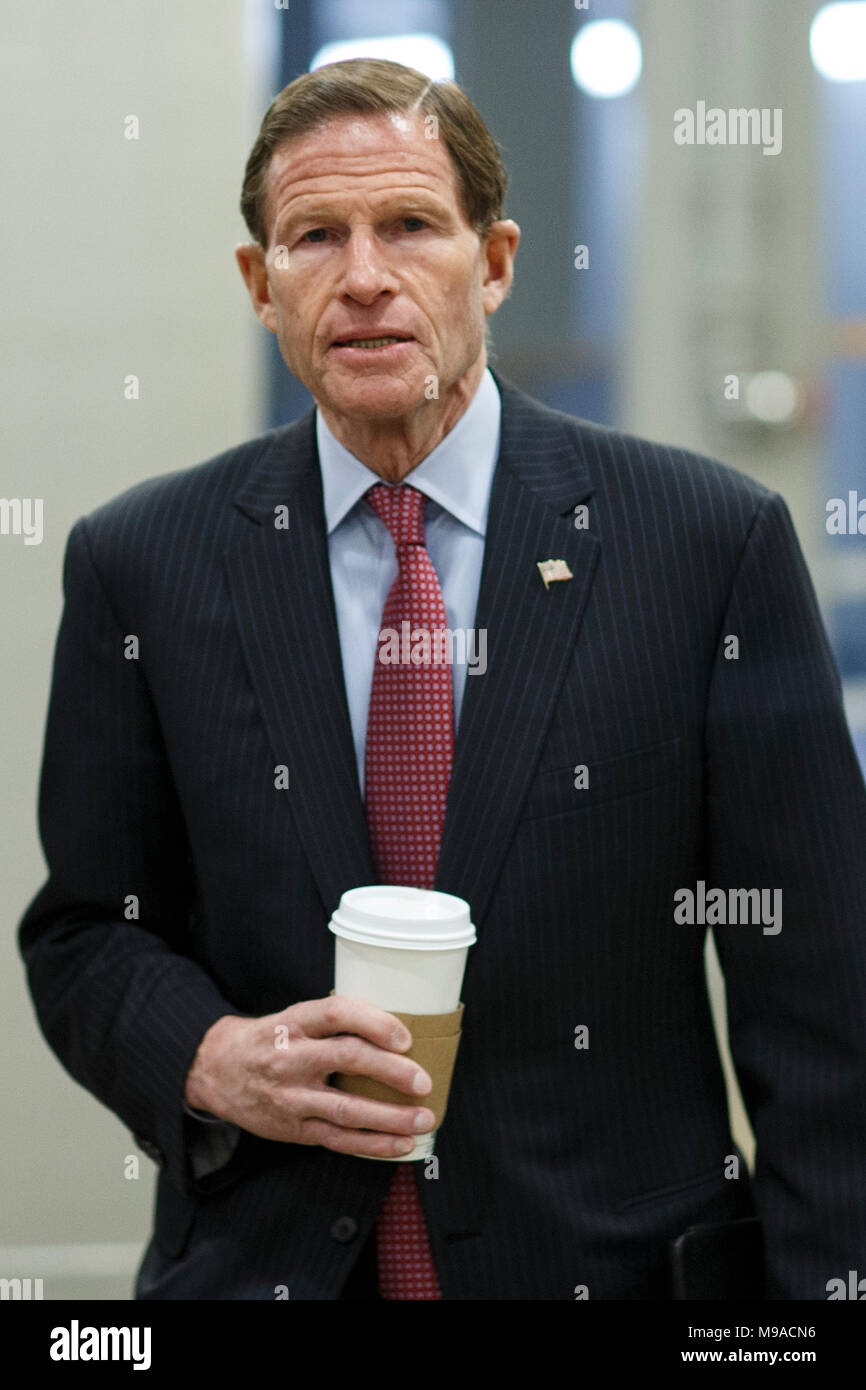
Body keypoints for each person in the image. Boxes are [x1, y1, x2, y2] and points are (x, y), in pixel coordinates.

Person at [18, 58, 866, 1302]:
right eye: (315, 236)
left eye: (411, 225)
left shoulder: (701, 545)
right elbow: (88, 929)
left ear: (497, 261)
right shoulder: (142, 563)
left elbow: (820, 991)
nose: (364, 276)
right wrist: (207, 1054)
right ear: (261, 284)